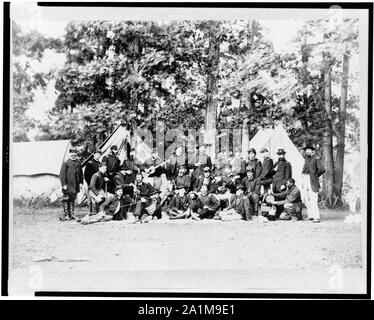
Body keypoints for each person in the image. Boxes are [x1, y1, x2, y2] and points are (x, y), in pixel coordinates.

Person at [301, 145, 326, 223]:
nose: (307, 151)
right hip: (305, 179)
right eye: (306, 150)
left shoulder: (316, 158)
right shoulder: (306, 159)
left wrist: (315, 175)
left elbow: (322, 169)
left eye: (309, 150)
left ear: (312, 151)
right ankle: (311, 215)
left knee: (313, 199)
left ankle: (316, 217)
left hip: (312, 181)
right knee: (305, 198)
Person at [59, 147, 83, 221]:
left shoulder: (78, 162)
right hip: (68, 185)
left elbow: (81, 174)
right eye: (72, 154)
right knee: (66, 200)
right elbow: (62, 175)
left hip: (75, 185)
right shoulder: (66, 162)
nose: (73, 155)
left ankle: (72, 214)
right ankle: (67, 215)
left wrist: (81, 183)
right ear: (70, 154)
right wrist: (64, 185)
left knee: (72, 199)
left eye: (75, 154)